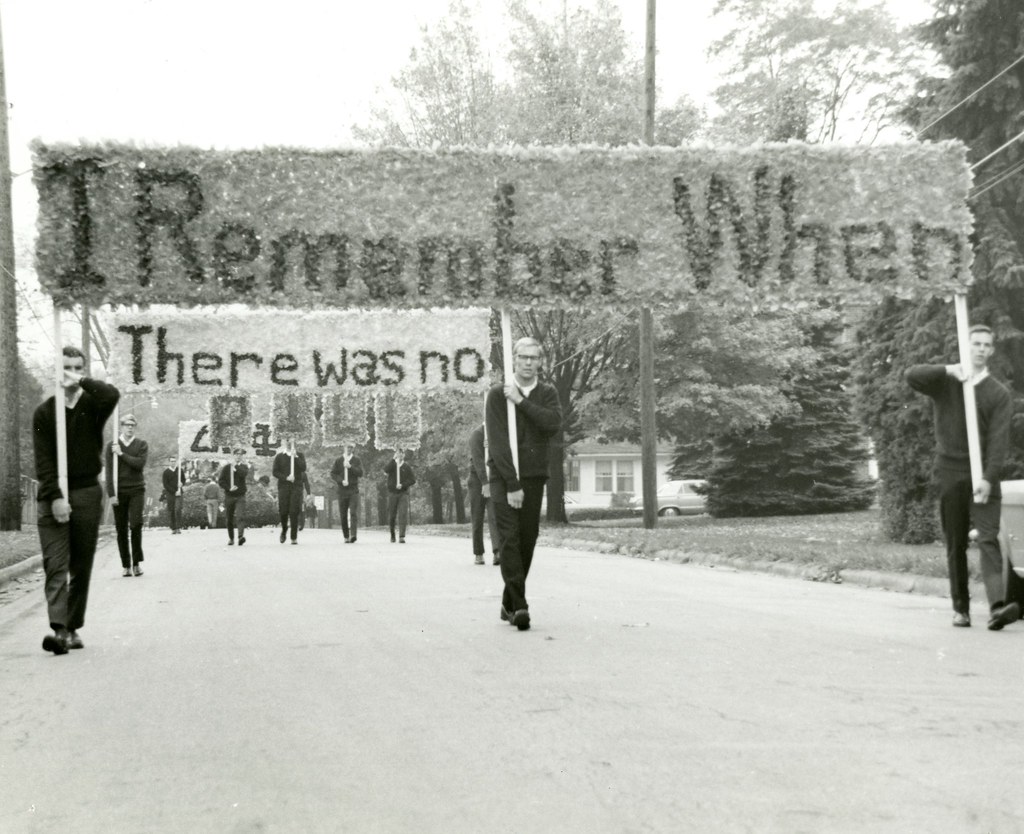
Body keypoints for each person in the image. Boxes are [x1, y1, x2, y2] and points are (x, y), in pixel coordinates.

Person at [906, 323, 1019, 630]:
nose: (981, 349)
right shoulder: (948, 382)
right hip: (950, 471)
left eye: (986, 345)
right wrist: (948, 370)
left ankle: (997, 608)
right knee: (956, 541)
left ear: (991, 350)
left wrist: (988, 478)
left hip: (983, 475)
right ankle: (961, 609)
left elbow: (998, 442)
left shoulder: (998, 393)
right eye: (976, 344)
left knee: (988, 538)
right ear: (967, 347)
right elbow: (912, 375)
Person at [34, 346, 119, 654]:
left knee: (80, 565)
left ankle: (72, 627)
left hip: (86, 491)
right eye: (65, 367)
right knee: (55, 564)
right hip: (53, 495)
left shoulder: (93, 406)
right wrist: (56, 497)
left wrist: (80, 381)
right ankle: (59, 630)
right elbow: (44, 461)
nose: (71, 372)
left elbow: (111, 394)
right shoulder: (45, 412)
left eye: (77, 367)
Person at [487, 337, 562, 631]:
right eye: (523, 357)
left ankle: (508, 601)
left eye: (533, 358)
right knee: (510, 539)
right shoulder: (498, 395)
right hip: (504, 477)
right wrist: (511, 484)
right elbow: (497, 443)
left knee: (528, 540)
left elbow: (552, 424)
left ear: (540, 362)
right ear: (514, 360)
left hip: (533, 476)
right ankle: (519, 606)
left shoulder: (547, 393)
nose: (528, 362)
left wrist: (521, 401)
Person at [105, 413, 149, 577]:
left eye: (132, 425)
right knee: (121, 528)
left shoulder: (141, 444)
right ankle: (126, 565)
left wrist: (121, 454)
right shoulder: (112, 446)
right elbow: (109, 471)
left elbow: (139, 464)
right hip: (119, 491)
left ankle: (136, 563)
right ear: (121, 427)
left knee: (136, 524)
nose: (130, 428)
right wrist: (111, 494)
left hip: (136, 489)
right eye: (127, 425)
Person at [468, 423, 500, 565]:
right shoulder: (477, 434)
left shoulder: (497, 432)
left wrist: (492, 447)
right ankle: (478, 553)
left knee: (494, 516)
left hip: (493, 479)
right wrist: (485, 483)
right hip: (477, 479)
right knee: (477, 517)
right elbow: (478, 460)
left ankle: (497, 551)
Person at [272, 436, 309, 544]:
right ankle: (284, 530)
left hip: (296, 487)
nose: (289, 442)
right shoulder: (280, 456)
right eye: (287, 440)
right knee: (283, 511)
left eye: (292, 440)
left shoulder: (300, 455)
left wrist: (295, 456)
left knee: (294, 511)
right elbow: (275, 472)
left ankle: (293, 536)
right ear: (285, 441)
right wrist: (286, 477)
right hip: (283, 487)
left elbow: (303, 468)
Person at [330, 443, 364, 543]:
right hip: (342, 491)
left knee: (353, 512)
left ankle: (353, 535)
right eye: (347, 447)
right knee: (343, 514)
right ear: (344, 447)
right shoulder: (339, 460)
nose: (349, 449)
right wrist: (341, 481)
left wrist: (350, 467)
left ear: (353, 449)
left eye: (351, 447)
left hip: (353, 490)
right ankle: (346, 535)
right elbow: (333, 473)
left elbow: (360, 473)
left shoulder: (356, 460)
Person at [383, 450, 416, 543]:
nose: (400, 455)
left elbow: (412, 480)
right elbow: (386, 470)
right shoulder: (393, 465)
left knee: (402, 514)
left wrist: (403, 485)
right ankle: (392, 534)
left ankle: (402, 536)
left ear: (404, 455)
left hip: (403, 493)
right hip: (392, 493)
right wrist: (393, 459)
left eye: (401, 453)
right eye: (398, 453)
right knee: (392, 515)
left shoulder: (406, 467)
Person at [218, 449, 249, 546]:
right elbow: (221, 481)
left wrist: (235, 466)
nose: (239, 456)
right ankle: (231, 538)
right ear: (233, 455)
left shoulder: (244, 467)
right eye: (237, 454)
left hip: (240, 496)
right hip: (229, 496)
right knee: (229, 518)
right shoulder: (226, 468)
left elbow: (243, 474)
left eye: (241, 454)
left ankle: (240, 536)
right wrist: (228, 488)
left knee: (240, 516)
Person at [162, 455, 184, 535]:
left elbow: (183, 479)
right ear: (169, 462)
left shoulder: (180, 470)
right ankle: (173, 528)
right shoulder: (166, 472)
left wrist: (182, 483)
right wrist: (174, 492)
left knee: (178, 509)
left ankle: (178, 527)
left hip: (179, 493)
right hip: (170, 494)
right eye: (171, 461)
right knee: (171, 510)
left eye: (174, 461)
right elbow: (165, 485)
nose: (173, 463)